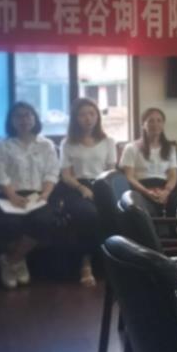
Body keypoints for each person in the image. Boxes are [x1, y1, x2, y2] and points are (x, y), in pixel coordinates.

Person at [0, 102, 64, 289]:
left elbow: (52, 173)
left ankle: (12, 260)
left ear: (34, 118)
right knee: (11, 223)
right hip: (8, 195)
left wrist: (45, 194)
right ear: (11, 120)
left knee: (44, 221)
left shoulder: (47, 145)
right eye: (18, 116)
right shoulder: (3, 145)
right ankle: (19, 261)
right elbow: (0, 175)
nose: (24, 120)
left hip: (39, 195)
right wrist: (12, 196)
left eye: (28, 115)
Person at [58, 97, 118, 286]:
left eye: (92, 114)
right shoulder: (67, 143)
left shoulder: (108, 141)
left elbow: (111, 171)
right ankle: (86, 263)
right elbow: (66, 175)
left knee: (115, 214)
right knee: (89, 214)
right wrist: (82, 188)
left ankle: (112, 263)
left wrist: (101, 190)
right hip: (76, 187)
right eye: (83, 114)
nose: (88, 118)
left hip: (102, 185)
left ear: (97, 116)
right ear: (75, 118)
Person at [119, 107, 177, 218]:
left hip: (164, 188)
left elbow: (173, 175)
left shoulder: (170, 148)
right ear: (143, 124)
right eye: (151, 121)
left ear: (163, 124)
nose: (155, 124)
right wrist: (147, 192)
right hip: (141, 188)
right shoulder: (131, 148)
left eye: (159, 120)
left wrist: (166, 192)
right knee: (144, 209)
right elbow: (129, 177)